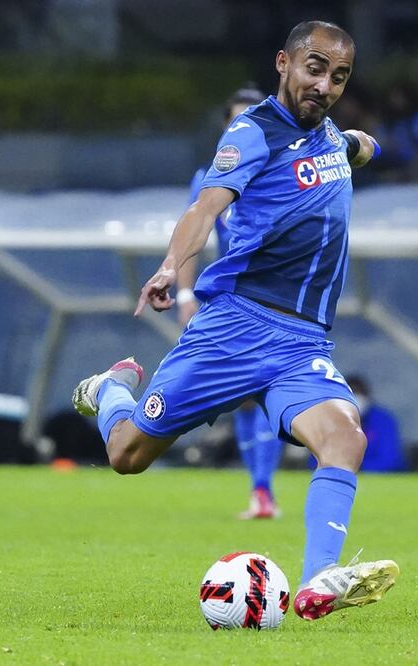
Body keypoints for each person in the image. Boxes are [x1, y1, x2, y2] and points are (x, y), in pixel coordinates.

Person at [70, 21, 398, 621]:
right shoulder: (250, 135)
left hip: (301, 341)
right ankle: (112, 390)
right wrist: (173, 266)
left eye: (339, 76)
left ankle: (320, 579)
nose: (324, 84)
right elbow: (204, 207)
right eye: (314, 67)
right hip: (234, 330)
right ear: (284, 63)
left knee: (345, 437)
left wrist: (361, 144)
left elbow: (349, 148)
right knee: (127, 455)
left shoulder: (328, 137)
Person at [175, 86, 285, 520]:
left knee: (265, 391)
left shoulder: (283, 172)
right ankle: (260, 491)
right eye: (237, 119)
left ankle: (264, 489)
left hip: (276, 300)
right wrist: (186, 295)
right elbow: (192, 237)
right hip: (230, 299)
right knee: (241, 396)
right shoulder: (210, 180)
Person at [320, 375, 407, 473]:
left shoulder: (383, 420)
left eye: (359, 394)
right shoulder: (329, 421)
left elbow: (390, 458)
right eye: (350, 394)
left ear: (367, 396)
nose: (355, 399)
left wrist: (360, 469)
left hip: (379, 479)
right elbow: (317, 458)